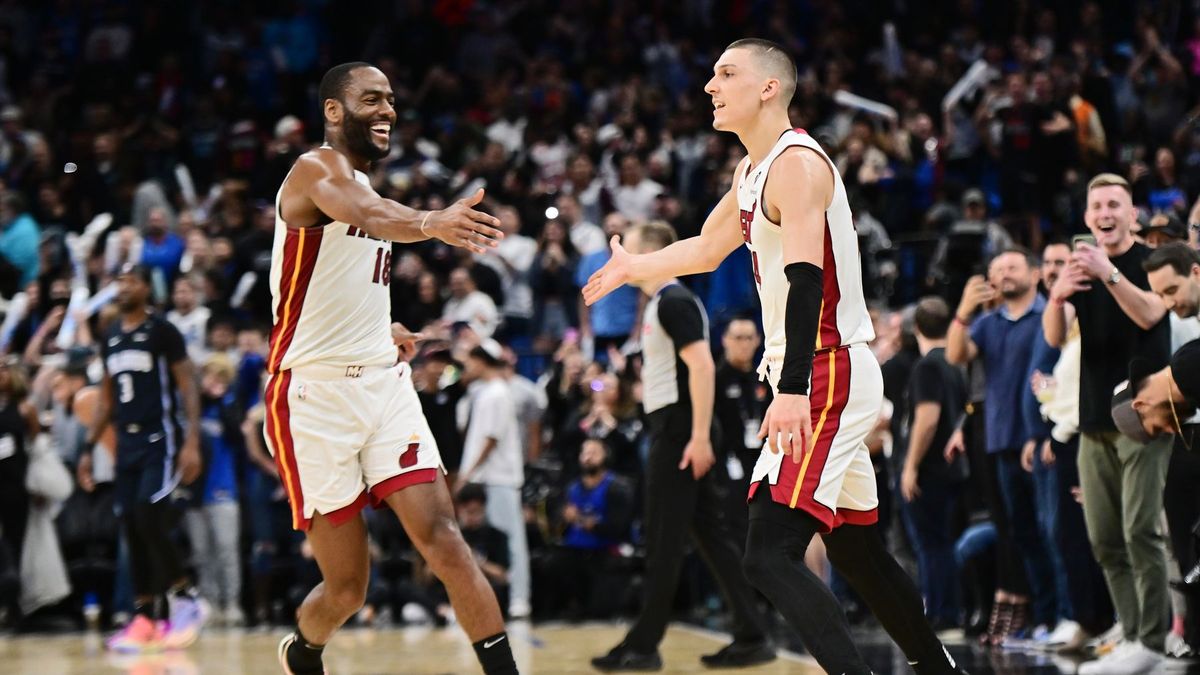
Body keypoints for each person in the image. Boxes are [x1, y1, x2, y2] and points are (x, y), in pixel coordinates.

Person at [584, 38, 964, 675]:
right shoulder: (752, 171)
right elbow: (706, 250)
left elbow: (809, 280)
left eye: (725, 74)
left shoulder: (797, 163)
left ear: (767, 88)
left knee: (767, 553)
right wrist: (635, 266)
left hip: (826, 369)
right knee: (856, 551)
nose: (710, 86)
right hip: (816, 371)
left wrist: (791, 391)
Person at [267, 62, 515, 675]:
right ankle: (304, 650)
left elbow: (349, 277)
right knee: (349, 589)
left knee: (446, 542)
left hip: (382, 385)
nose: (387, 111)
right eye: (371, 100)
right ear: (333, 111)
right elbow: (368, 216)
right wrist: (432, 223)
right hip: (313, 398)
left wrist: (385, 330)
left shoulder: (370, 189)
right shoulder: (316, 170)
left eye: (391, 101)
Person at [591, 221, 773, 671]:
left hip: (681, 430)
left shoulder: (673, 300)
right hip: (674, 424)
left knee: (663, 540)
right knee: (710, 538)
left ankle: (644, 645)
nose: (622, 260)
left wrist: (696, 436)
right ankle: (751, 634)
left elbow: (702, 369)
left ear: (653, 252)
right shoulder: (661, 304)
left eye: (628, 249)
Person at [1043, 173, 1173, 674]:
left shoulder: (1151, 262)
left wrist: (1109, 272)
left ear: (1133, 213)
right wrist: (1057, 295)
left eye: (1115, 204)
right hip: (1094, 417)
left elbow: (1148, 315)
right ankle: (1132, 630)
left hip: (1144, 415)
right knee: (1103, 537)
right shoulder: (1083, 267)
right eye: (1097, 205)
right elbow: (1055, 338)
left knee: (1140, 529)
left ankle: (1154, 641)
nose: (1105, 213)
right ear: (1086, 217)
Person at [83, 263, 205, 653]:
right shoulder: (111, 336)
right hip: (127, 445)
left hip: (161, 439)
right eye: (118, 280)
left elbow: (188, 386)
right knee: (132, 525)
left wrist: (191, 443)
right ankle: (146, 616)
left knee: (149, 516)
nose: (123, 287)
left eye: (131, 280)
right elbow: (105, 398)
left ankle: (186, 598)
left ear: (146, 289)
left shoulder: (163, 331)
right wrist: (88, 449)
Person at [946, 249, 1058, 641]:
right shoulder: (987, 322)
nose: (1003, 275)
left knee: (1052, 529)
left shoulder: (1050, 314)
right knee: (1019, 533)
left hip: (1043, 437)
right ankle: (1044, 617)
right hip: (999, 439)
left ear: (1035, 272)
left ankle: (1064, 616)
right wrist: (963, 308)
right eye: (996, 270)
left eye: (1011, 267)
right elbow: (955, 355)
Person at [900, 297, 968, 631]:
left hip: (931, 469)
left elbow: (927, 419)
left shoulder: (927, 366)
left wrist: (910, 465)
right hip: (955, 467)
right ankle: (948, 609)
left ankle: (941, 612)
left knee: (931, 544)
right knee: (943, 542)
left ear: (916, 330)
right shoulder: (956, 362)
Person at [454, 339, 529, 619]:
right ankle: (498, 598)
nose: (467, 366)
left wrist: (467, 473)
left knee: (511, 541)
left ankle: (519, 599)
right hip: (486, 476)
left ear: (483, 360)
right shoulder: (482, 393)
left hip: (500, 476)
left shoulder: (498, 392)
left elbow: (490, 439)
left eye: (471, 360)